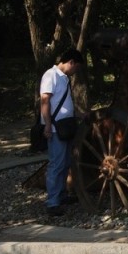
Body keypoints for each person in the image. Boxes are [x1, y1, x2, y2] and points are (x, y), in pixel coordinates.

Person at [38, 48, 86, 215]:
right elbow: (45, 101)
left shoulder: (64, 78)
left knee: (65, 163)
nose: (76, 71)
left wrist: (79, 114)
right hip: (55, 128)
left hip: (65, 126)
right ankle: (52, 202)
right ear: (71, 62)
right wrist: (47, 125)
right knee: (56, 164)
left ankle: (61, 195)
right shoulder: (50, 75)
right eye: (76, 67)